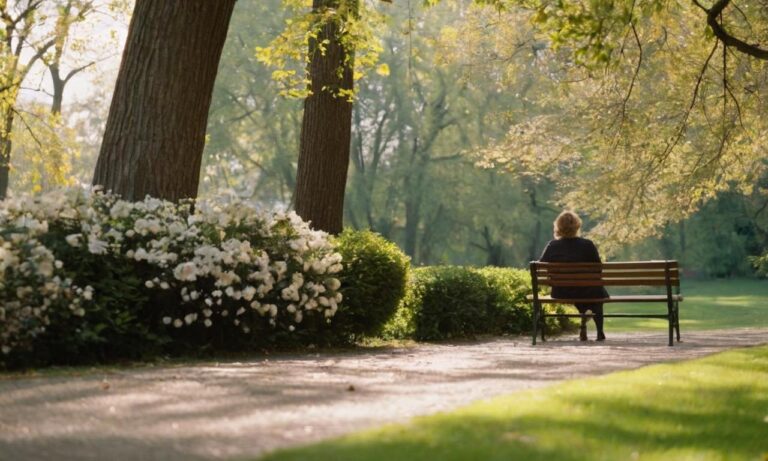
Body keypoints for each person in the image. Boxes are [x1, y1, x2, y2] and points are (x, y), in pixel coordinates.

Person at [539, 210, 607, 341]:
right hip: (587, 291)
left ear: (558, 227)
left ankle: (583, 324)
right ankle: (599, 332)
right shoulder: (588, 245)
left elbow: (542, 267)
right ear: (577, 226)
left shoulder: (552, 246)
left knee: (587, 291)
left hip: (561, 292)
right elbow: (598, 269)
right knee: (597, 293)